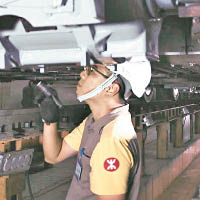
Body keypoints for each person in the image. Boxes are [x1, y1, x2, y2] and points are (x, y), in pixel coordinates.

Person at [38, 58, 151, 200]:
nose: (82, 74)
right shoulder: (95, 121)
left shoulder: (111, 140)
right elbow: (54, 155)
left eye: (92, 71)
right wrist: (49, 120)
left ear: (111, 88)